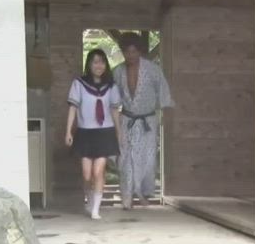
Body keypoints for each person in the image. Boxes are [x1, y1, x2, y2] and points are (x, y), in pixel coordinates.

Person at [113, 32, 174, 209]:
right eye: (127, 52)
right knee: (126, 159)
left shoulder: (153, 70)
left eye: (133, 51)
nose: (130, 55)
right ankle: (127, 197)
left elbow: (164, 94)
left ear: (139, 51)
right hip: (127, 119)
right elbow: (112, 99)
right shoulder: (117, 72)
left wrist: (165, 117)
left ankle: (140, 193)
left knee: (146, 160)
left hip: (147, 121)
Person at [64, 49, 123, 220]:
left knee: (98, 172)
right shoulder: (79, 84)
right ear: (89, 65)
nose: (99, 65)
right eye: (95, 62)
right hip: (85, 133)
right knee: (86, 174)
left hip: (105, 133)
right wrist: (68, 131)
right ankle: (90, 200)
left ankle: (96, 209)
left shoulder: (111, 86)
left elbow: (115, 110)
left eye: (102, 62)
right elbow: (73, 108)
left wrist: (119, 133)